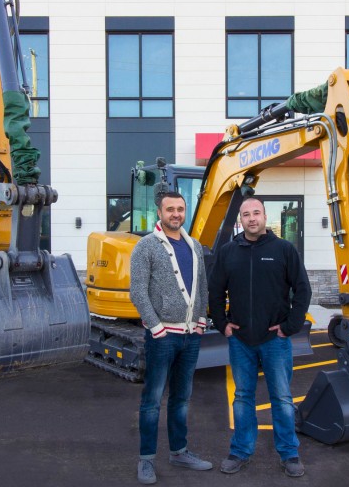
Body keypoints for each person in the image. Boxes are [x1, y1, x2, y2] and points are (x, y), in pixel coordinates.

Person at [208, 197, 312, 478]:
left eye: (256, 213)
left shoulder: (283, 250)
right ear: (239, 220)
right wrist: (222, 324)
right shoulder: (228, 252)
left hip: (275, 340)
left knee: (281, 397)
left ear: (266, 216)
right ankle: (240, 451)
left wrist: (289, 326)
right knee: (242, 397)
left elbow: (303, 290)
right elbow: (215, 292)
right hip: (240, 340)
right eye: (246, 214)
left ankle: (289, 454)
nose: (251, 218)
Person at [129, 191, 213, 484]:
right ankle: (146, 460)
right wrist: (156, 328)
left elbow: (202, 286)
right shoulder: (146, 247)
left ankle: (179, 452)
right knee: (152, 400)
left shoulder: (195, 246)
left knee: (182, 398)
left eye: (180, 209)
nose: (176, 214)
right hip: (162, 337)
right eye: (170, 209)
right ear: (159, 213)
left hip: (190, 337)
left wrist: (201, 320)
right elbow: (137, 291)